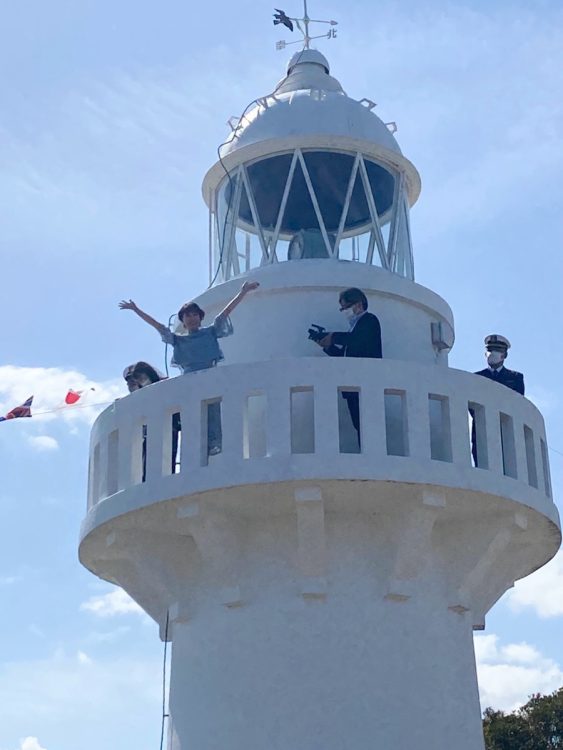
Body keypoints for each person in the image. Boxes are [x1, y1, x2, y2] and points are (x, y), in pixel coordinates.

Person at [119, 280, 259, 455]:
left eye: (194, 315)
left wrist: (243, 292)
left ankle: (215, 444)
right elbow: (158, 326)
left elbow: (225, 313)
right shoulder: (178, 341)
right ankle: (194, 448)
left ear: (200, 317)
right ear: (183, 321)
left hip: (210, 378)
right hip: (188, 383)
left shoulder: (210, 332)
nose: (191, 318)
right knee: (191, 415)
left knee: (213, 412)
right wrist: (136, 310)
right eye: (187, 316)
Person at [314, 287, 382, 445]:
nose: (344, 311)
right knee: (360, 427)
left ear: (358, 305)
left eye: (345, 307)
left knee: (368, 427)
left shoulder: (369, 320)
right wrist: (326, 346)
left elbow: (357, 340)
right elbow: (345, 356)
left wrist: (333, 336)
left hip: (367, 384)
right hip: (354, 387)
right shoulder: (354, 328)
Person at [471, 334, 524, 466]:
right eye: (489, 350)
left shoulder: (515, 377)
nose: (492, 354)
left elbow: (518, 402)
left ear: (504, 355)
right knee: (483, 463)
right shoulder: (476, 377)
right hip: (482, 426)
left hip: (505, 426)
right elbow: (471, 404)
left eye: (497, 350)